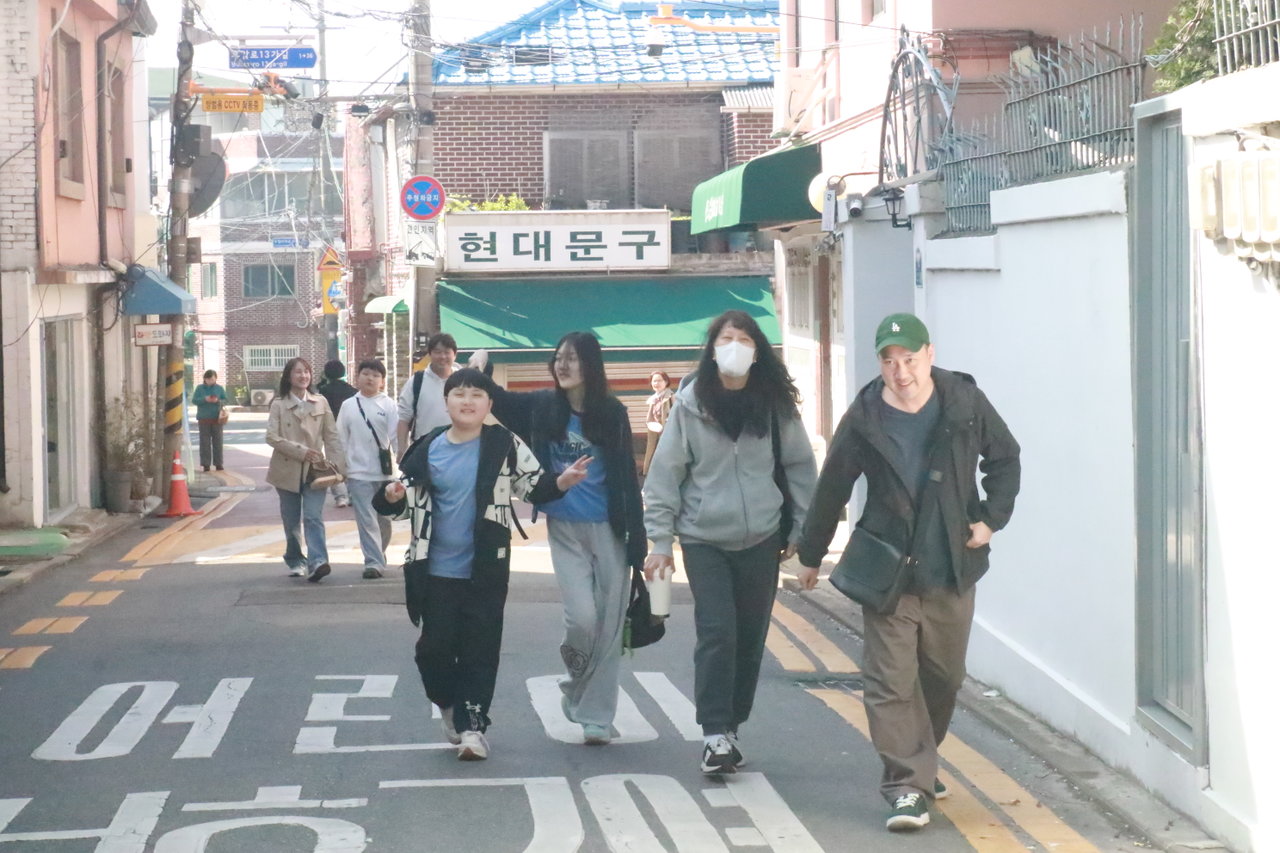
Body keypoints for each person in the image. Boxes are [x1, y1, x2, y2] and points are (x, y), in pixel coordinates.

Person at [796, 313, 1021, 833]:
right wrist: (811, 553)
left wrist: (990, 519)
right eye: (889, 361)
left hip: (950, 564)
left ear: (929, 355)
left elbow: (1005, 458)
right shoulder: (866, 416)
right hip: (888, 569)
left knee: (944, 677)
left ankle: (921, 760)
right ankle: (906, 786)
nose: (900, 371)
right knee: (890, 681)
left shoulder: (964, 401)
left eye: (910, 359)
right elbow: (833, 485)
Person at [374, 368, 591, 761]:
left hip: (487, 568)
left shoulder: (504, 444)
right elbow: (404, 502)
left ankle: (473, 727)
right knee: (433, 651)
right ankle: (448, 704)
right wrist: (391, 496)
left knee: (480, 650)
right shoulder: (427, 447)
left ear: (489, 404)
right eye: (459, 393)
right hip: (434, 570)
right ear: (446, 402)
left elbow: (533, 484)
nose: (468, 401)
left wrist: (561, 482)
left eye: (477, 394)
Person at [643, 310, 817, 774]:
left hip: (762, 536)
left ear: (757, 352)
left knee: (750, 638)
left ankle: (732, 725)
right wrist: (659, 541)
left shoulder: (775, 405)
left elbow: (800, 466)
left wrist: (803, 532)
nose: (734, 347)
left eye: (743, 339)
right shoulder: (689, 405)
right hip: (703, 538)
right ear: (712, 349)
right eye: (725, 339)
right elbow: (665, 475)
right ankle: (714, 732)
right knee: (718, 630)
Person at [471, 333, 647, 746]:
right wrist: (480, 368)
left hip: (611, 530)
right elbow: (497, 399)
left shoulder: (613, 413)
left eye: (573, 359)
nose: (563, 365)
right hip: (565, 528)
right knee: (582, 619)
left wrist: (639, 543)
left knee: (609, 628)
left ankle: (596, 718)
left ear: (591, 365)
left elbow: (627, 477)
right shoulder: (543, 406)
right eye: (558, 358)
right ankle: (574, 681)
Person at [265, 357, 346, 583]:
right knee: (291, 521)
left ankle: (318, 561)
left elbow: (332, 436)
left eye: (307, 371)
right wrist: (301, 452)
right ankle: (295, 559)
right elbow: (271, 437)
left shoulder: (320, 402)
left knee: (313, 517)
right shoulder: (278, 404)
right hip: (285, 470)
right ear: (288, 376)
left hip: (315, 471)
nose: (303, 376)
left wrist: (339, 468)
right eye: (298, 372)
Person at [336, 359, 399, 580]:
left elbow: (396, 437)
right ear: (358, 377)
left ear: (382, 381)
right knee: (366, 519)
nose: (370, 378)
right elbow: (341, 439)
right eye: (366, 374)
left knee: (384, 520)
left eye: (375, 375)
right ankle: (373, 562)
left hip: (386, 473)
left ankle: (378, 554)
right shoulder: (348, 405)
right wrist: (342, 467)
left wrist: (401, 466)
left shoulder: (389, 405)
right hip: (358, 473)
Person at [397, 333, 461, 455]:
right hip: (424, 451)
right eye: (437, 352)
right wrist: (402, 449)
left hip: (458, 450)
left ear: (454, 354)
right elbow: (404, 418)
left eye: (447, 352)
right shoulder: (417, 381)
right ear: (430, 354)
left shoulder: (463, 381)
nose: (442, 356)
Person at [318, 360, 358, 507]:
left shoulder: (323, 391)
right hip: (350, 430)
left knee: (333, 463)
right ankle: (353, 495)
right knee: (351, 461)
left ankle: (340, 496)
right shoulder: (352, 391)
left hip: (331, 430)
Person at [641, 371, 675, 477]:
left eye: (659, 380)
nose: (656, 383)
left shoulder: (671, 397)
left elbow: (676, 414)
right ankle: (650, 474)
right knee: (652, 452)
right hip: (654, 430)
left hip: (667, 430)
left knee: (667, 453)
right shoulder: (653, 398)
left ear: (666, 382)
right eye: (654, 381)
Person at [195, 369, 227, 473]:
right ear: (205, 379)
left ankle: (219, 463)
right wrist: (205, 399)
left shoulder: (219, 388)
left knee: (218, 442)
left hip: (217, 419)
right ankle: (206, 464)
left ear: (216, 378)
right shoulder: (199, 388)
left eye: (212, 379)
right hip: (203, 419)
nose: (210, 381)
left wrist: (218, 400)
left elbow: (226, 399)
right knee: (204, 443)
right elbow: (194, 400)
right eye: (208, 379)